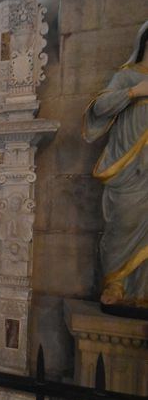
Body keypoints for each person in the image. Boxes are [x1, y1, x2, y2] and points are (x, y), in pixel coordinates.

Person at [83, 20, 148, 307]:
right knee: (124, 221)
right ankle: (116, 284)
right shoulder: (127, 77)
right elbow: (99, 108)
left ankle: (140, 290)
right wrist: (136, 92)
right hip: (128, 169)